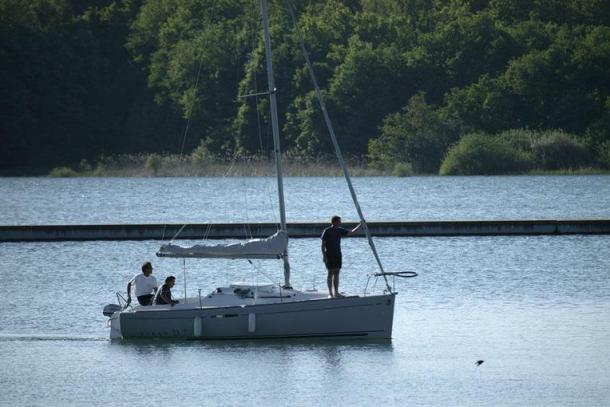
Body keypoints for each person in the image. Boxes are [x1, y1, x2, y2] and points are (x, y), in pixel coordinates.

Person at [321, 215, 361, 298]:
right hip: (329, 254)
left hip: (338, 254)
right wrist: (324, 256)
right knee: (330, 273)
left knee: (337, 273)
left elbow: (351, 232)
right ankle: (330, 293)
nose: (340, 223)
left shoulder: (339, 230)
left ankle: (336, 292)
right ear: (334, 222)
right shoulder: (327, 231)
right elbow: (322, 245)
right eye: (339, 221)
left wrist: (360, 225)